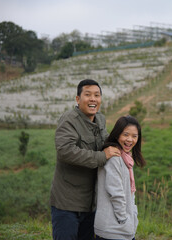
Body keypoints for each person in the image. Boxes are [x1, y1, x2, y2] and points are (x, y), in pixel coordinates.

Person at [50, 79, 121, 240]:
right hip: (67, 203)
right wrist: (102, 156)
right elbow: (65, 151)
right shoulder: (69, 120)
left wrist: (124, 144)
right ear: (77, 99)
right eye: (87, 95)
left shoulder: (100, 119)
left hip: (92, 203)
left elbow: (106, 142)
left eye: (97, 95)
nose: (93, 99)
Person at [94, 115, 146, 240]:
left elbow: (129, 194)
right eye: (126, 135)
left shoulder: (126, 158)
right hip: (113, 229)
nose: (130, 140)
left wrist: (133, 215)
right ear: (117, 135)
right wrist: (124, 219)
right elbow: (115, 191)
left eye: (134, 136)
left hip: (121, 229)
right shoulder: (114, 157)